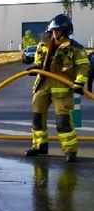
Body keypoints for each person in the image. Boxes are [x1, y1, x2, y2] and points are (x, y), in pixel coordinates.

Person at [24, 14, 89, 162]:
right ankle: (39, 146)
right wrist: (36, 67)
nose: (54, 33)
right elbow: (39, 59)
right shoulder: (44, 44)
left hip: (62, 88)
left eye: (58, 30)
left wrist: (79, 83)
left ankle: (70, 151)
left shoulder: (75, 48)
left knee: (63, 122)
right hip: (43, 85)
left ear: (65, 31)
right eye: (53, 30)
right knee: (37, 118)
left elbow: (84, 66)